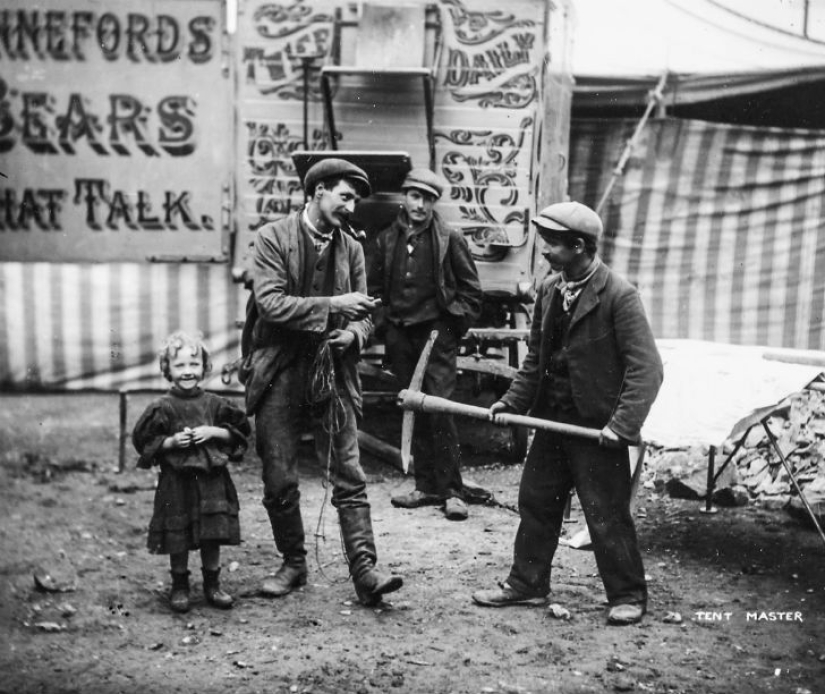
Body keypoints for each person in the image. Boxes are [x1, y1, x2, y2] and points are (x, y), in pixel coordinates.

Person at [471, 201, 663, 626]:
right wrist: (513, 402)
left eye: (552, 245)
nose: (543, 252)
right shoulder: (550, 290)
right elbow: (535, 359)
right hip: (552, 422)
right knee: (536, 502)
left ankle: (628, 595)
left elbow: (647, 369)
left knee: (605, 513)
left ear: (579, 247)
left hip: (598, 430)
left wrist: (622, 426)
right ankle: (527, 585)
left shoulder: (619, 295)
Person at [239, 157, 403, 606]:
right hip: (278, 369)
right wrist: (335, 303)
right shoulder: (272, 237)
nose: (352, 207)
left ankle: (365, 572)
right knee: (278, 476)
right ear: (316, 193)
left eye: (356, 199)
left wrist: (354, 333)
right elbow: (270, 304)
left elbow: (366, 316)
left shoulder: (351, 248)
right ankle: (293, 563)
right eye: (345, 196)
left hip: (332, 369)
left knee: (348, 471)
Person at [368, 168, 482, 521]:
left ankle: (451, 491)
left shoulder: (449, 238)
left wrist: (449, 329)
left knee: (440, 407)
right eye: (415, 196)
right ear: (405, 196)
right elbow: (374, 291)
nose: (420, 205)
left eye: (428, 199)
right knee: (411, 407)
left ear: (434, 203)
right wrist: (386, 326)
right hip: (401, 335)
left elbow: (472, 293)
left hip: (436, 335)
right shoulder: (386, 239)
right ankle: (425, 485)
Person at [133, 330, 251, 613]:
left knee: (211, 531)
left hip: (211, 481)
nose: (188, 372)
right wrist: (171, 442)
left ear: (204, 368)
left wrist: (214, 431)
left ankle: (213, 584)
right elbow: (142, 440)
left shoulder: (214, 404)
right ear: (167, 370)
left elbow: (241, 431)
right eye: (180, 365)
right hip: (177, 482)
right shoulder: (162, 407)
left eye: (193, 365)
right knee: (178, 533)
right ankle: (180, 586)